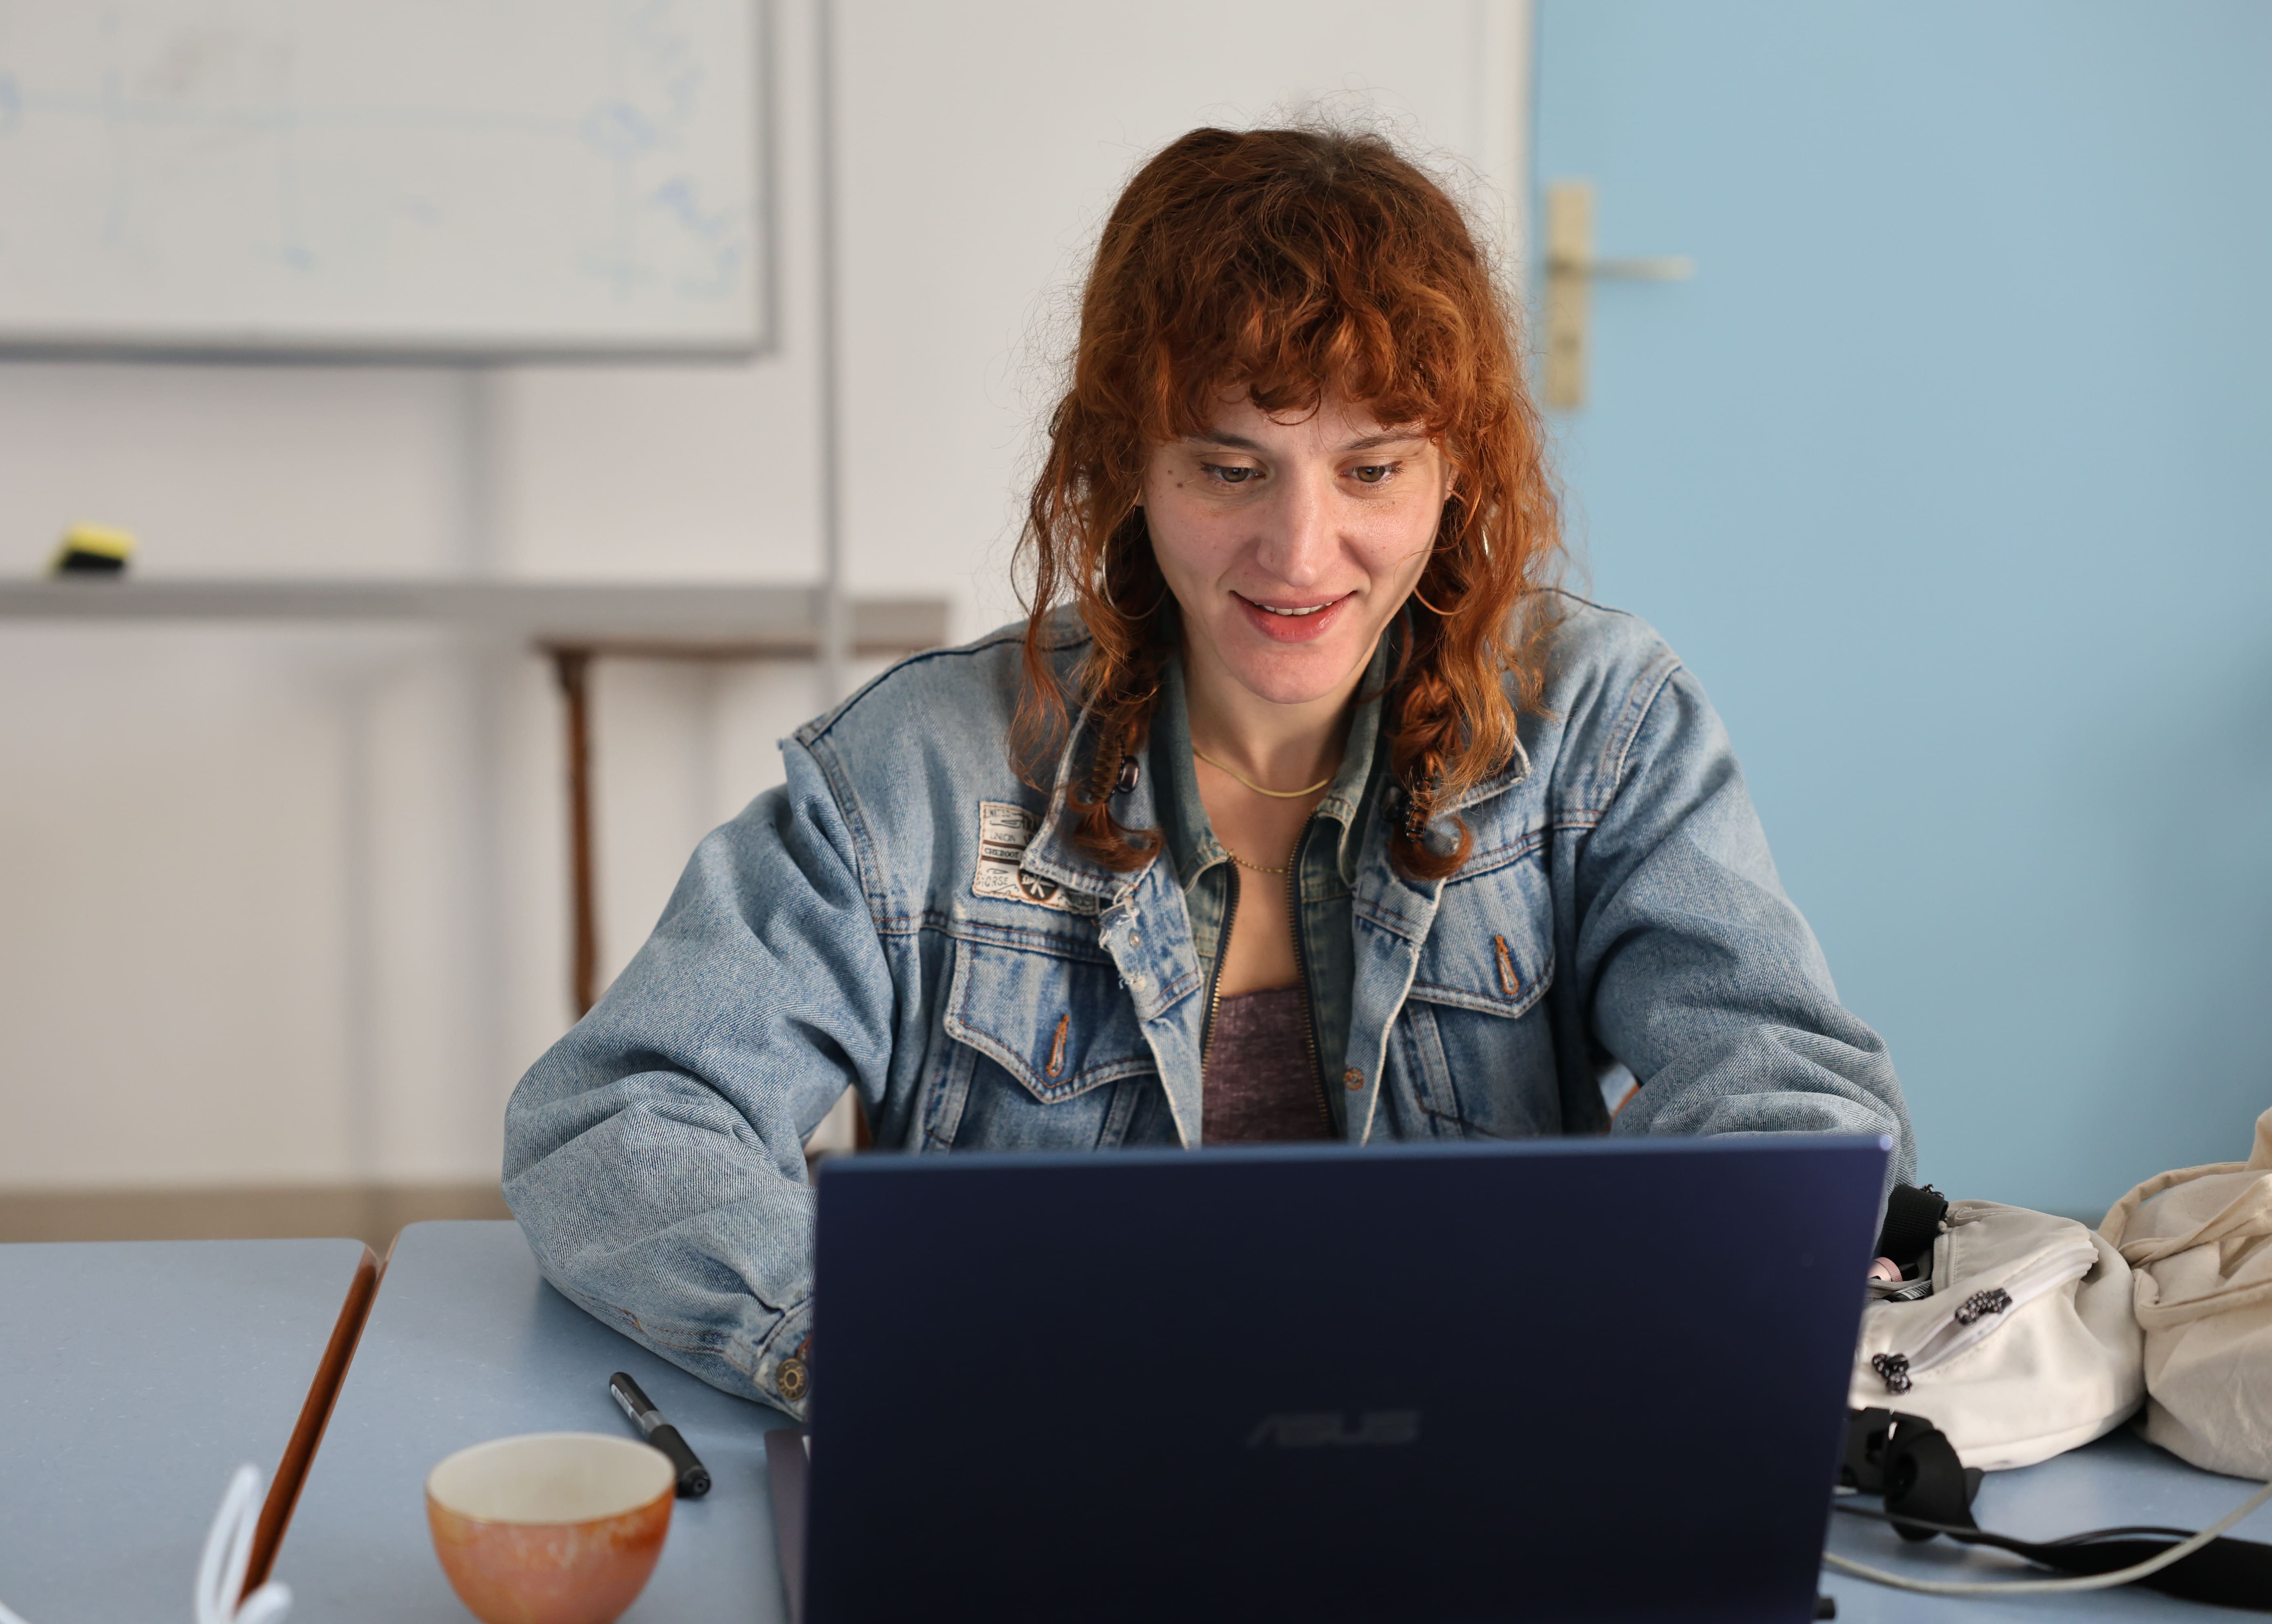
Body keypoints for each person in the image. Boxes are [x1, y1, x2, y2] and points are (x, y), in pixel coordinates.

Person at [503, 126, 1914, 1416]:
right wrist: (882, 1355)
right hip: (1045, 1491)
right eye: (1231, 469)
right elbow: (617, 1120)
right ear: (1128, 461)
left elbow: (1795, 1099)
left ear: (1458, 472)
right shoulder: (917, 774)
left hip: (1476, 1474)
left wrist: (1587, 1328)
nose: (1301, 558)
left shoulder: (1594, 723)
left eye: (1373, 471)